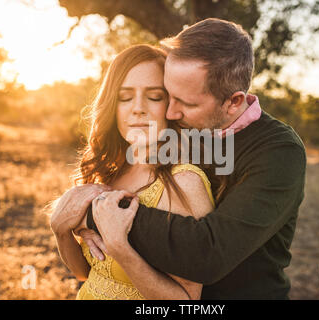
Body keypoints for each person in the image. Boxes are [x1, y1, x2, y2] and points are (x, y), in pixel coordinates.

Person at [73, 18, 306, 299]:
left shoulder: (279, 152)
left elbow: (208, 253)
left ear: (233, 102)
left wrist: (94, 211)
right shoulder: (184, 130)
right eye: (168, 95)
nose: (170, 112)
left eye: (186, 102)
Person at [50, 44, 216, 300]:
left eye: (154, 96)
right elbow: (84, 273)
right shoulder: (109, 173)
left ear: (171, 106)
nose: (138, 108)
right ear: (112, 107)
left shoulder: (184, 183)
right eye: (125, 97)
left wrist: (121, 248)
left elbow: (188, 301)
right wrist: (61, 231)